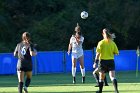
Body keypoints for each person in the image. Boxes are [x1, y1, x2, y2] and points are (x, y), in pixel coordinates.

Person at [93, 28, 119, 93]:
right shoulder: (112, 43)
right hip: (111, 61)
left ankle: (100, 91)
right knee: (112, 77)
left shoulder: (101, 43)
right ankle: (116, 90)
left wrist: (95, 63)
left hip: (102, 62)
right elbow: (116, 53)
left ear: (102, 34)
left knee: (101, 77)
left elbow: (98, 54)